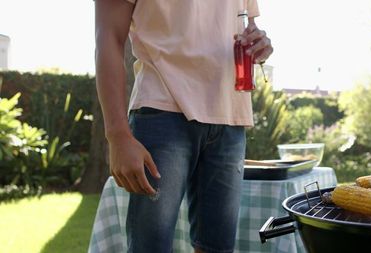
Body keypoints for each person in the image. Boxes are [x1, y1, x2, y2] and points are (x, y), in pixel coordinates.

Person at [94, 0, 273, 252]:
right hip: (162, 113)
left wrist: (260, 44)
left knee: (217, 248)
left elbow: (245, 29)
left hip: (229, 119)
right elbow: (108, 39)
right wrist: (117, 135)